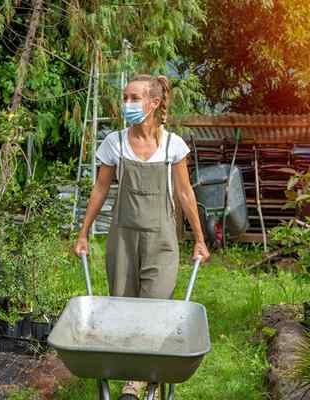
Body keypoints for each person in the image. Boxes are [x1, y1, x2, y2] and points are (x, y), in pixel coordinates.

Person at [73, 74, 210, 400]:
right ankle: (136, 377)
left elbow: (184, 193)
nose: (127, 105)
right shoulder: (115, 142)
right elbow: (100, 189)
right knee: (123, 308)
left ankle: (144, 379)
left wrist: (200, 239)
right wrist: (82, 234)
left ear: (154, 103)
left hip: (162, 241)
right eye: (125, 98)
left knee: (155, 308)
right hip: (122, 239)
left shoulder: (172, 146)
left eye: (134, 98)